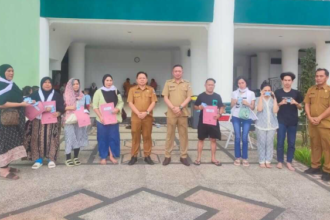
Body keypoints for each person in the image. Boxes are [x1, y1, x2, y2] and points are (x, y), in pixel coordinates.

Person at [24, 77, 65, 169]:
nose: (47, 84)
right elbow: (28, 105)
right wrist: (34, 105)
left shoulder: (57, 95)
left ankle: (51, 159)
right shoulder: (34, 94)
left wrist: (58, 112)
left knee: (52, 138)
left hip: (52, 121)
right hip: (37, 121)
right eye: (45, 82)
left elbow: (62, 107)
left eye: (49, 82)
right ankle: (38, 159)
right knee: (37, 139)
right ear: (41, 84)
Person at [0, 64, 30, 180]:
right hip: (4, 120)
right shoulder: (1, 85)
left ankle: (6, 165)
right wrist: (21, 104)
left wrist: (27, 101)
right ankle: (2, 170)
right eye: (8, 71)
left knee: (11, 142)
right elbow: (1, 104)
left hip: (13, 119)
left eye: (12, 71)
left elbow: (19, 98)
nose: (11, 73)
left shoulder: (11, 84)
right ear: (2, 72)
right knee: (3, 143)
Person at [162, 65, 192, 166]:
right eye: (176, 71)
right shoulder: (168, 83)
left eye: (179, 71)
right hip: (171, 113)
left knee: (183, 135)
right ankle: (167, 156)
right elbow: (165, 97)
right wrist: (173, 108)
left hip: (183, 113)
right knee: (169, 135)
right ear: (173, 72)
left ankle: (183, 156)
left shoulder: (187, 83)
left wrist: (179, 107)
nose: (178, 73)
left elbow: (189, 97)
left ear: (182, 72)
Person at [304, 68, 330, 181]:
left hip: (325, 123)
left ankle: (327, 170)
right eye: (317, 76)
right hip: (312, 122)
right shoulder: (311, 89)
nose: (318, 78)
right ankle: (315, 166)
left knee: (327, 146)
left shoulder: (329, 90)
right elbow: (307, 104)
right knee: (315, 145)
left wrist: (319, 117)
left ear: (326, 77)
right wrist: (309, 117)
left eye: (321, 76)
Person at [127, 72, 157, 165]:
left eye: (144, 78)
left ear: (147, 79)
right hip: (136, 117)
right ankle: (134, 156)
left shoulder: (151, 89)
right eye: (140, 78)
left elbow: (153, 102)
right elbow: (130, 102)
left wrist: (146, 112)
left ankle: (147, 156)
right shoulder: (132, 90)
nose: (142, 79)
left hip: (147, 117)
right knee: (135, 137)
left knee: (147, 136)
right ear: (136, 80)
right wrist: (138, 113)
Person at [275, 72, 303, 171]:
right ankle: (279, 161)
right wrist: (280, 103)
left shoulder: (296, 93)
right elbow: (273, 107)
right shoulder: (277, 93)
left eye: (289, 80)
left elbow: (300, 107)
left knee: (291, 143)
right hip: (281, 120)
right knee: (280, 142)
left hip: (292, 121)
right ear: (282, 81)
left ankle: (289, 162)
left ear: (292, 81)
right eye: (285, 80)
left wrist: (296, 103)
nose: (287, 82)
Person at [93, 74, 124, 165]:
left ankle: (111, 155)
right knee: (103, 137)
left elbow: (120, 102)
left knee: (113, 137)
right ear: (103, 81)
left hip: (113, 119)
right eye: (107, 80)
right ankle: (103, 156)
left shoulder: (115, 91)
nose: (109, 82)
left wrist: (117, 109)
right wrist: (101, 117)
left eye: (110, 80)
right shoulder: (98, 92)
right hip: (102, 120)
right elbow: (95, 106)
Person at [194, 78, 224, 166]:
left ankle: (213, 158)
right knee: (201, 139)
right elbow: (195, 106)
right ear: (205, 85)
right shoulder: (201, 96)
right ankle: (198, 158)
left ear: (214, 86)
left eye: (212, 85)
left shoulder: (217, 96)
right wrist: (199, 107)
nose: (210, 86)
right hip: (203, 121)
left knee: (213, 139)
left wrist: (220, 114)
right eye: (209, 84)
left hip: (214, 121)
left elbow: (221, 107)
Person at [230, 76, 256, 167]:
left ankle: (245, 158)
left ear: (246, 83)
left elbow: (253, 107)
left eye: (242, 82)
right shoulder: (234, 93)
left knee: (244, 137)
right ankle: (237, 157)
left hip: (246, 116)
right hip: (236, 116)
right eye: (239, 83)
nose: (241, 84)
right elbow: (231, 106)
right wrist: (235, 101)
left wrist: (247, 103)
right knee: (237, 136)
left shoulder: (251, 93)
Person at [63, 79, 89, 167]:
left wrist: (86, 113)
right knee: (70, 138)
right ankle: (68, 158)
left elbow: (85, 107)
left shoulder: (82, 96)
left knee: (78, 136)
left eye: (77, 84)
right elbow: (62, 107)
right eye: (73, 84)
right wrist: (72, 107)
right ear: (70, 85)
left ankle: (76, 157)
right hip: (69, 119)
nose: (76, 85)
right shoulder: (65, 95)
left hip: (79, 119)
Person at [255, 82, 279, 168]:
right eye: (265, 90)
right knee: (261, 142)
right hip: (260, 124)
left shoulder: (273, 100)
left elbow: (275, 110)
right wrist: (261, 96)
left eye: (269, 90)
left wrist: (275, 97)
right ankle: (261, 160)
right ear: (261, 90)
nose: (267, 92)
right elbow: (259, 109)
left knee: (269, 143)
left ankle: (268, 160)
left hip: (272, 125)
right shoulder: (258, 99)